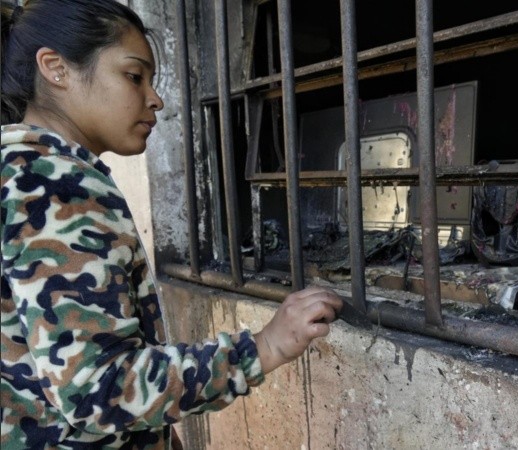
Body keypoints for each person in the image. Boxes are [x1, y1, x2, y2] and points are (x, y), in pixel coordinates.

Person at [0, 1, 343, 448]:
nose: (155, 98)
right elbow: (98, 389)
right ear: (56, 68)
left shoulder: (17, 172)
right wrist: (264, 347)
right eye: (133, 75)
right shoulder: (54, 183)